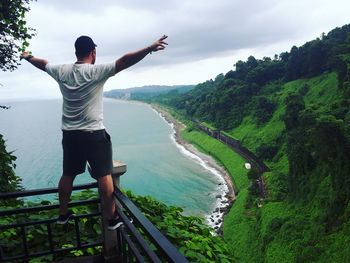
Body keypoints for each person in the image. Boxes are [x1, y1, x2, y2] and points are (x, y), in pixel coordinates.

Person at [21, 34, 168, 230]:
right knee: (104, 175)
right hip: (93, 133)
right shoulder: (96, 71)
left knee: (68, 173)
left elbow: (43, 64)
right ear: (93, 52)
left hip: (70, 134)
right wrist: (149, 48)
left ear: (76, 52)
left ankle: (63, 214)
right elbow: (124, 61)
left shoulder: (61, 70)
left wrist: (28, 56)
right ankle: (111, 218)